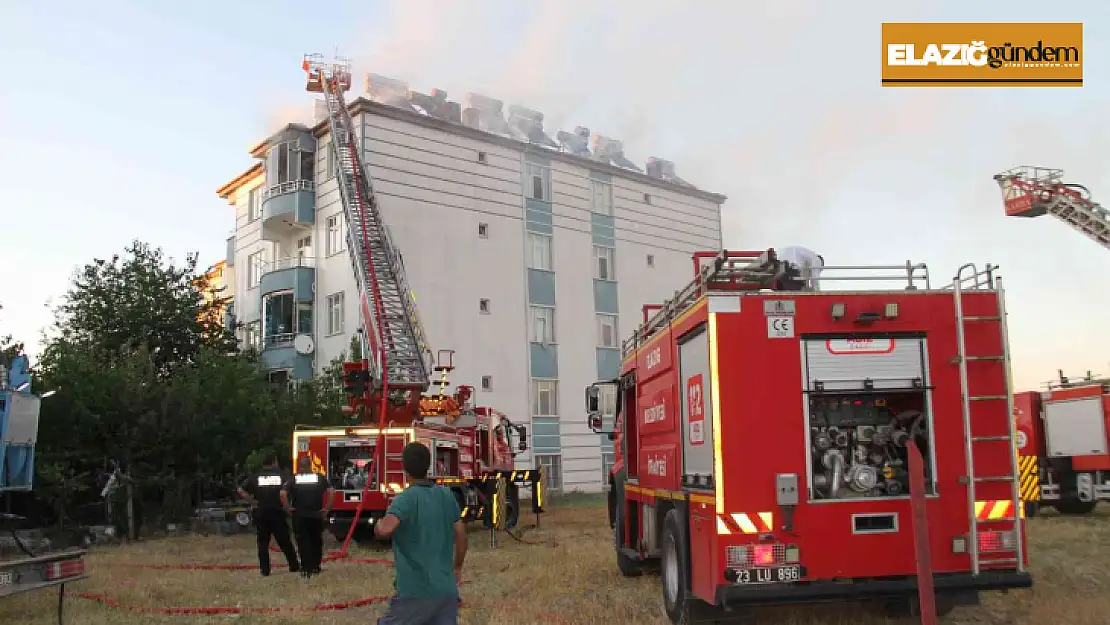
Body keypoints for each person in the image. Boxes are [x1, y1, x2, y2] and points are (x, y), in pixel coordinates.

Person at [374, 441, 468, 625]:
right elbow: (461, 535)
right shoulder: (446, 495)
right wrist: (457, 567)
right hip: (446, 592)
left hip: (415, 592)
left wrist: (378, 525)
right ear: (429, 465)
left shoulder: (404, 499)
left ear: (404, 467)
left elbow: (385, 529)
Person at [238, 454, 300, 576]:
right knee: (285, 541)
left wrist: (253, 502)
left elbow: (241, 490)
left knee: (262, 543)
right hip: (277, 512)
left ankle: (265, 570)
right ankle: (294, 565)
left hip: (261, 513)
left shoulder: (255, 476)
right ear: (274, 462)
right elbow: (290, 489)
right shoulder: (282, 476)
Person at [281, 455, 334, 578]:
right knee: (316, 540)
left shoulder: (294, 479)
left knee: (302, 541)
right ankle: (316, 566)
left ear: (300, 466)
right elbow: (332, 492)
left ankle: (306, 568)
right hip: (316, 514)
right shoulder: (319, 478)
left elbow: (283, 494)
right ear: (310, 465)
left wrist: (288, 508)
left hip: (299, 515)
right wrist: (327, 509)